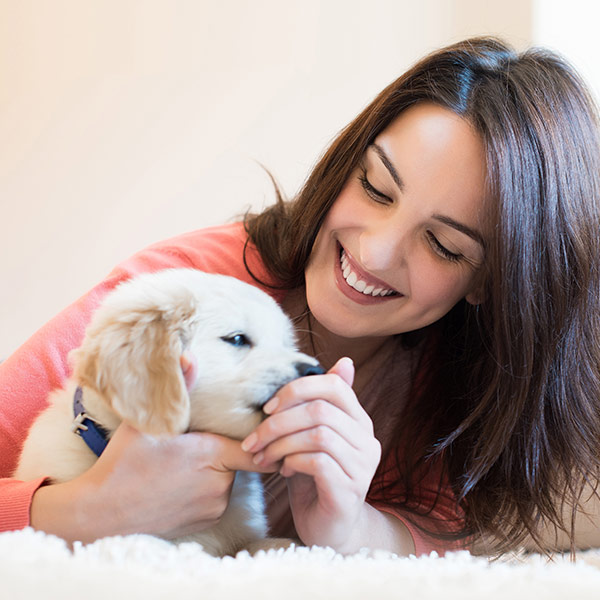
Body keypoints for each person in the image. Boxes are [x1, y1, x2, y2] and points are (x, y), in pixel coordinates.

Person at [1, 36, 600, 557]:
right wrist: (85, 513)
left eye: (443, 245)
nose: (374, 253)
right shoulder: (184, 290)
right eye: (374, 185)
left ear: (492, 284)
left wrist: (353, 528)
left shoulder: (476, 374)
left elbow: (454, 532)